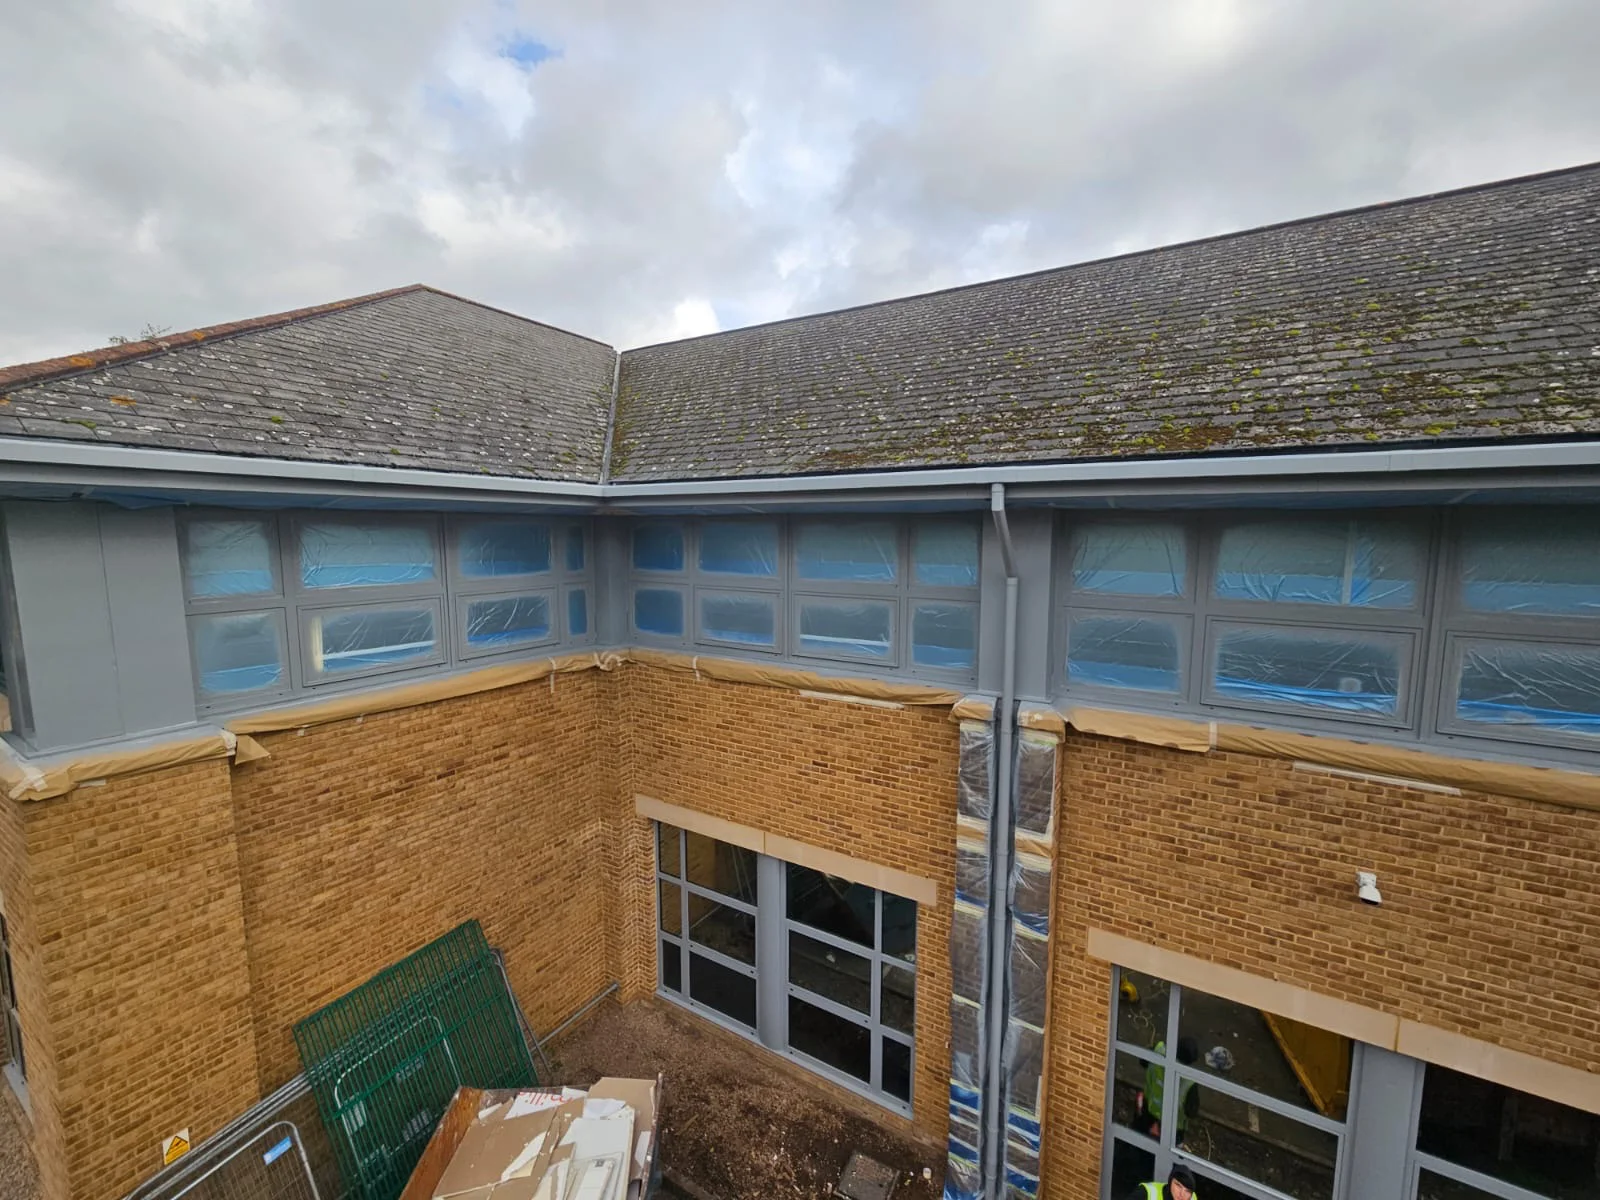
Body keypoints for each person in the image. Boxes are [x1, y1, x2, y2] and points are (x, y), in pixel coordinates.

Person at [1135, 1037, 1200, 1143]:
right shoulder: (1189, 1081)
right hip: (1171, 1128)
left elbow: (1142, 1061)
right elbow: (1191, 1111)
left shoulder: (1158, 1051)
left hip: (1148, 1112)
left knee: (1139, 1143)